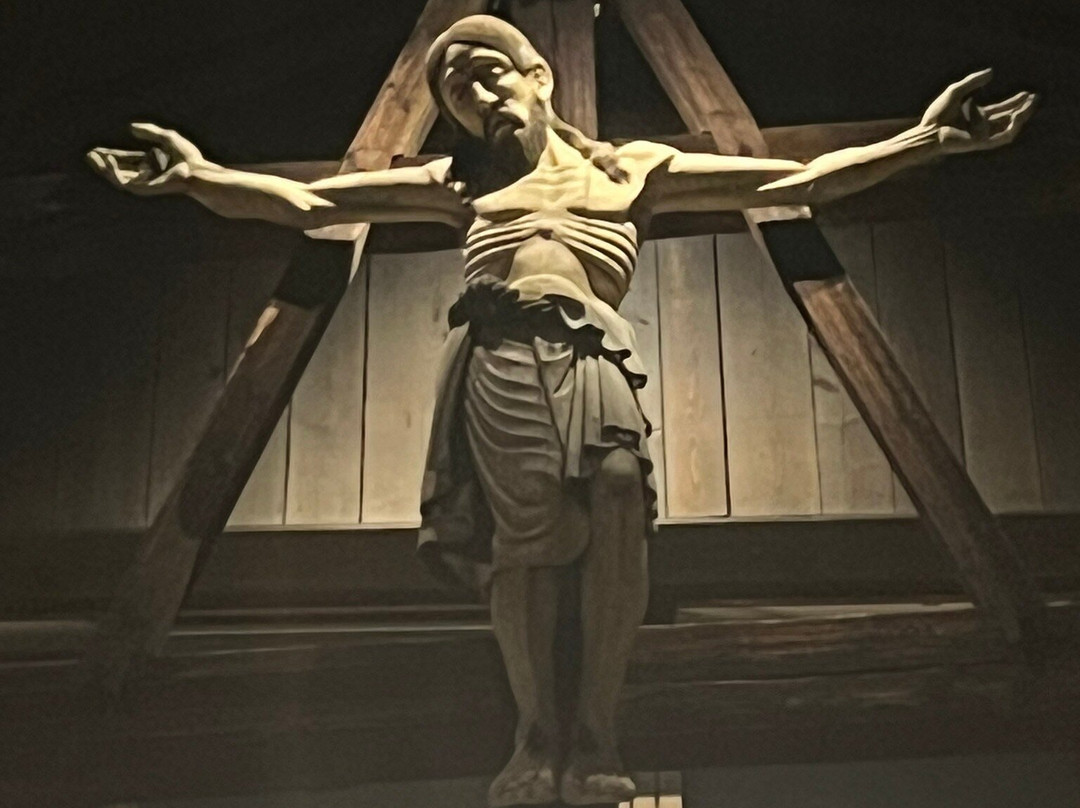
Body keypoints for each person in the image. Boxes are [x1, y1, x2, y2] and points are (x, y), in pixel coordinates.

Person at [87, 14, 1035, 806]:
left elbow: (800, 181)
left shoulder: (629, 171)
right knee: (525, 542)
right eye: (457, 92)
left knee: (619, 489)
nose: (475, 96)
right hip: (496, 353)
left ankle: (597, 729)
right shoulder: (457, 184)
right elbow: (306, 203)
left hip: (591, 352)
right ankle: (538, 737)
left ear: (538, 76)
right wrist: (195, 176)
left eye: (487, 74)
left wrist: (927, 140)